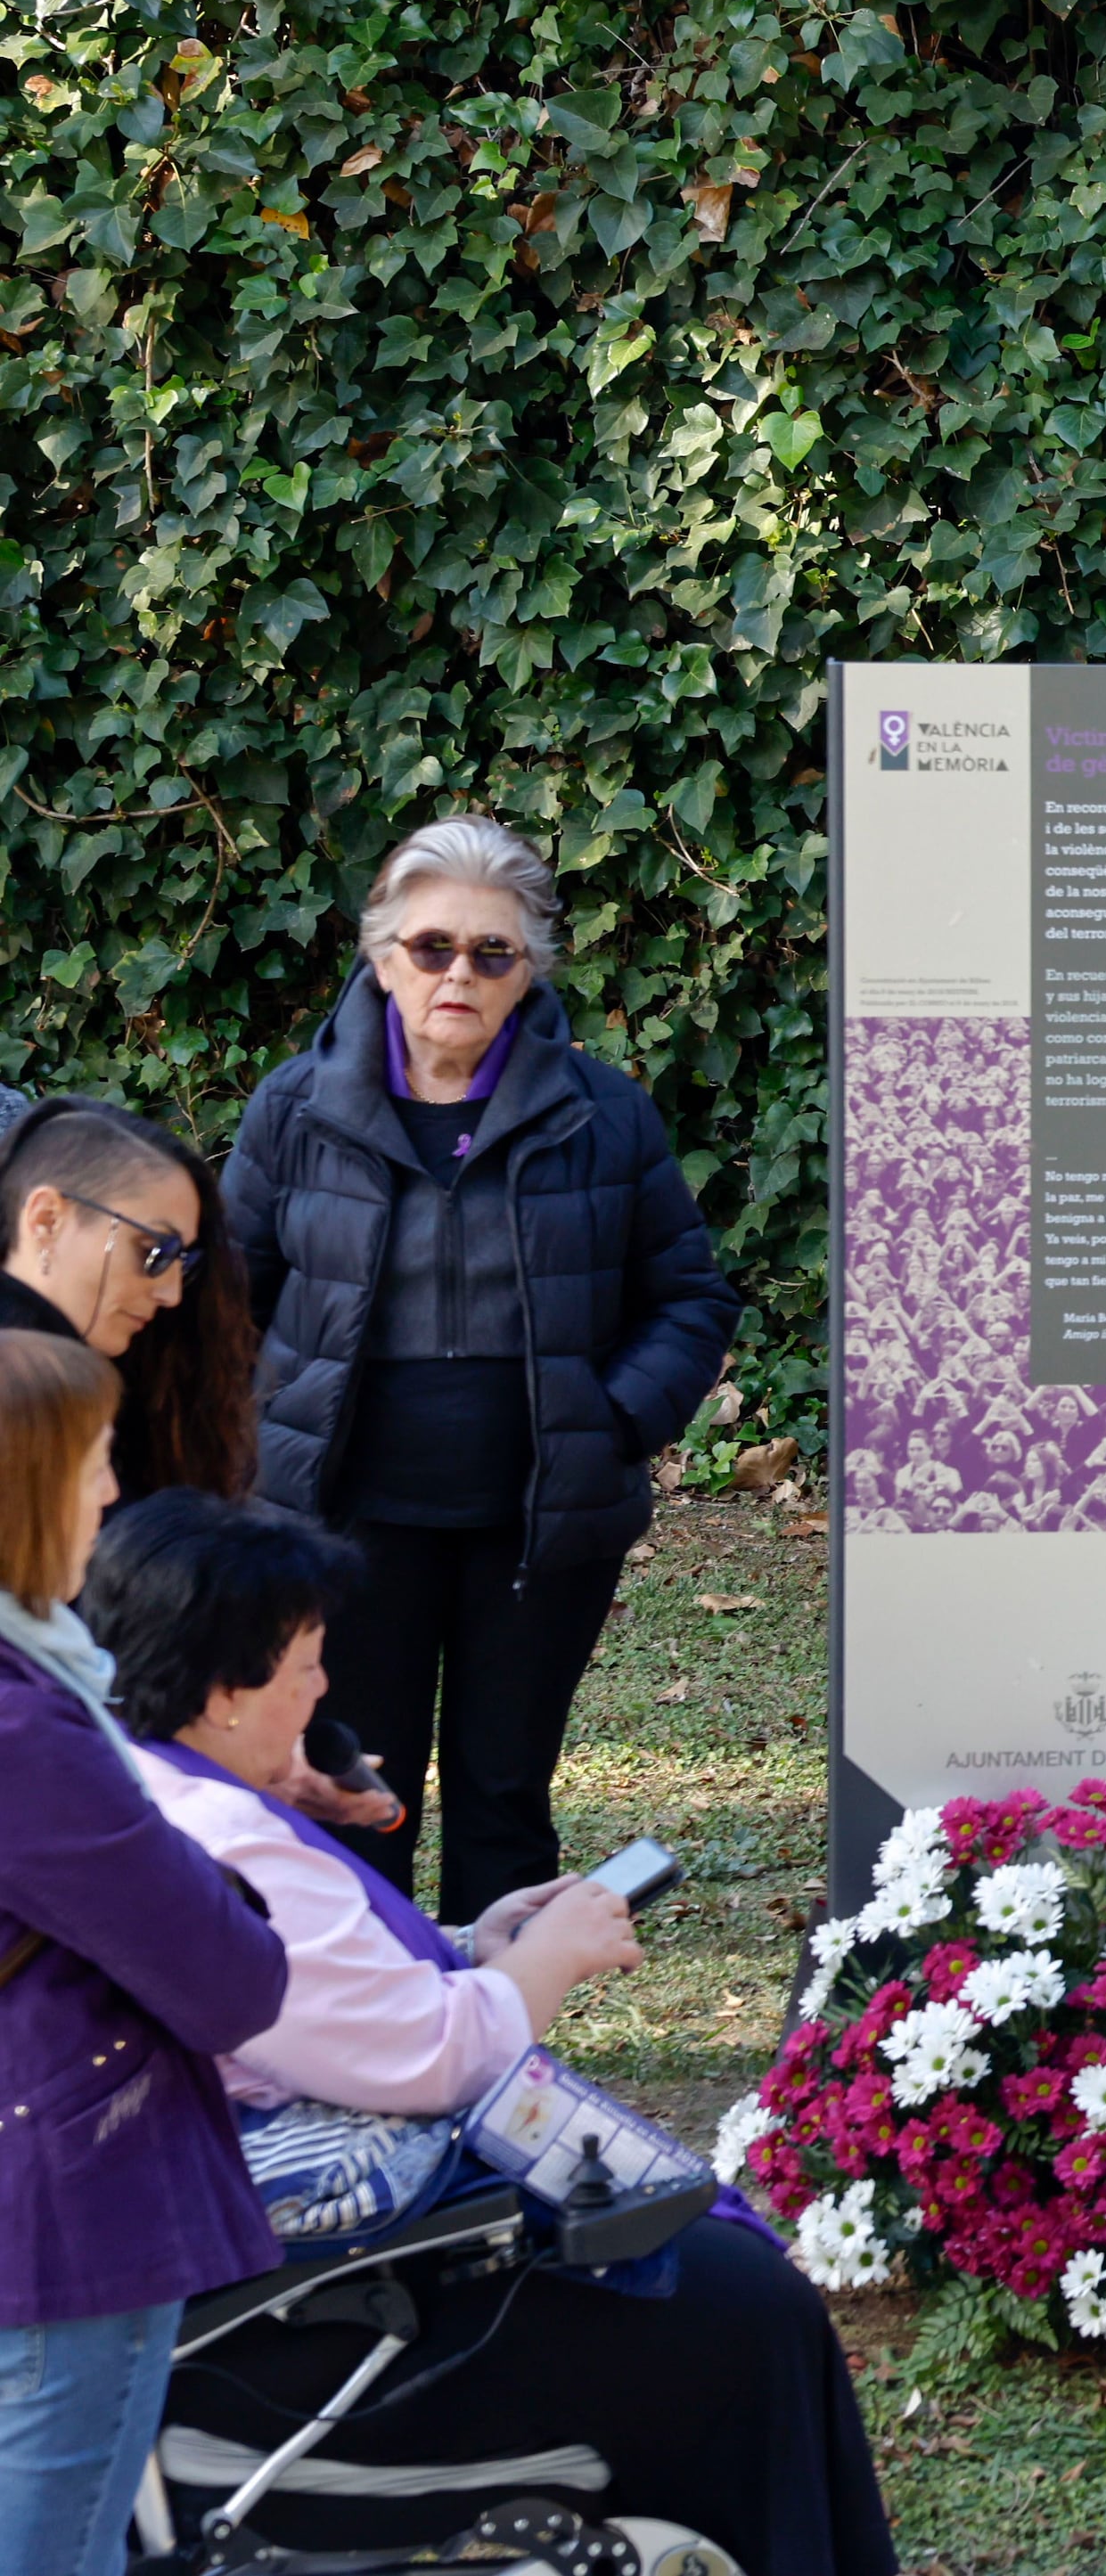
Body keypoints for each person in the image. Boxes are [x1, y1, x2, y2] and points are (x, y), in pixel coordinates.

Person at [94, 1492, 897, 2572]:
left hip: (236, 2222)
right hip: (315, 2274)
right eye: (304, 1667)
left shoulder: (132, 1784)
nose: (324, 1690)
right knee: (742, 2305)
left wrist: (473, 1941)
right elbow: (425, 2055)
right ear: (226, 1692)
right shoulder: (233, 1840)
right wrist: (547, 1958)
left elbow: (329, 1998)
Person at [220, 816, 741, 1920]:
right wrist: (261, 1445)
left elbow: (690, 1298)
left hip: (541, 1520)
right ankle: (375, 2053)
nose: (459, 972)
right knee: (358, 1791)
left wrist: (608, 1419)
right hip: (342, 1519)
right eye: (432, 946)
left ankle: (504, 2057)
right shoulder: (294, 1109)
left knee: (506, 1793)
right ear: (380, 954)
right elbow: (225, 1308)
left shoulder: (604, 1114)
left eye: (491, 953)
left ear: (528, 970)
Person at [0, 1335, 290, 2576]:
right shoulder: (23, 1723)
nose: (112, 1494)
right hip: (61, 2201)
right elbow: (229, 1977)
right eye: (94, 1463)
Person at [0, 1095, 258, 1500]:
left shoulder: (123, 1375)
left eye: (183, 1261)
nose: (172, 1294)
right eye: (155, 1253)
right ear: (46, 1219)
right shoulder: (26, 1390)